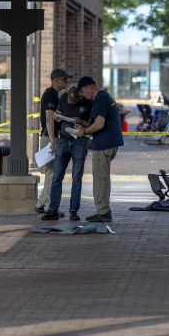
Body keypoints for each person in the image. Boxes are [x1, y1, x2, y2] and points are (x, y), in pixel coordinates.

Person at [76, 76, 124, 223]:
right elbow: (101, 121)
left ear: (88, 87)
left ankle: (103, 212)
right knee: (103, 178)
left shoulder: (100, 98)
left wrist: (85, 132)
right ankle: (104, 210)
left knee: (100, 180)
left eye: (83, 92)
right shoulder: (105, 96)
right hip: (110, 143)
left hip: (103, 145)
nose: (84, 96)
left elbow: (100, 123)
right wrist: (83, 124)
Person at [42, 86, 92, 221]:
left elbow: (92, 124)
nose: (72, 102)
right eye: (71, 100)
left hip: (79, 142)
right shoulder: (64, 98)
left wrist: (81, 123)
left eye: (75, 101)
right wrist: (58, 117)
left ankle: (73, 211)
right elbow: (56, 115)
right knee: (56, 176)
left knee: (76, 177)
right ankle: (53, 209)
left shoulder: (88, 103)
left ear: (81, 96)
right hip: (64, 140)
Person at [36, 69, 71, 214]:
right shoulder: (51, 95)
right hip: (51, 137)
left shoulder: (52, 94)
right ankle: (49, 206)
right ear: (57, 80)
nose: (66, 82)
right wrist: (52, 140)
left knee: (52, 173)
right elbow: (49, 118)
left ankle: (42, 203)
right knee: (52, 173)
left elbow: (52, 116)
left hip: (50, 136)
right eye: (65, 80)